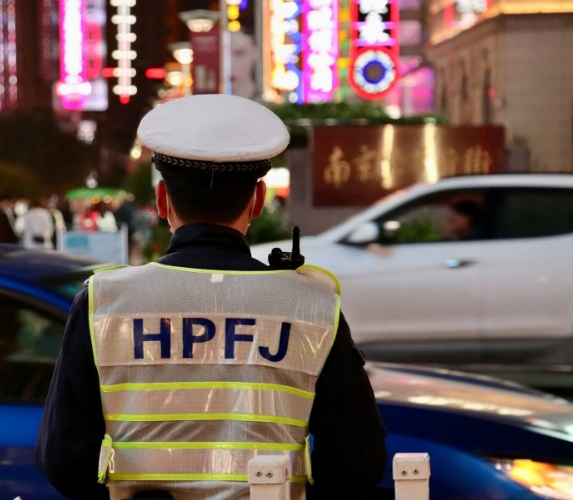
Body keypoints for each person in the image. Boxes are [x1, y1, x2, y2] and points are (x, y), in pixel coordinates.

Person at [35, 94, 387, 499]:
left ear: (162, 200)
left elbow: (63, 461)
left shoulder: (103, 303)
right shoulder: (312, 306)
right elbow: (357, 463)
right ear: (257, 201)